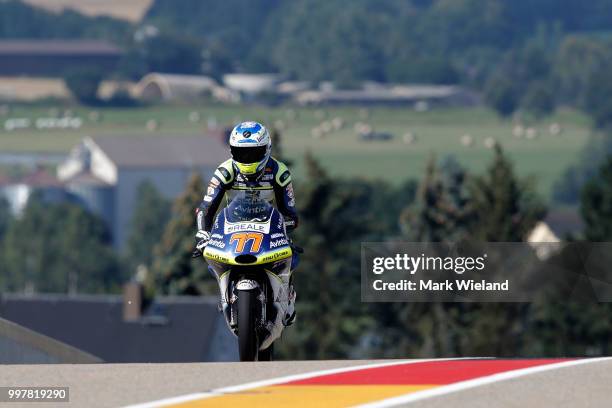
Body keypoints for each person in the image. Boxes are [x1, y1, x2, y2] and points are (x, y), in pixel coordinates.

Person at [194, 121, 298, 326]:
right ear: (232, 151)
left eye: (254, 153)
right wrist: (203, 233)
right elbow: (206, 207)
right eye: (241, 153)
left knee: (290, 256)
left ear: (266, 149)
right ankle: (225, 296)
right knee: (211, 258)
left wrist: (287, 225)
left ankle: (287, 300)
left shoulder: (279, 172)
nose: (247, 159)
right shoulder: (224, 172)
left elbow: (289, 209)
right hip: (233, 226)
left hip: (267, 226)